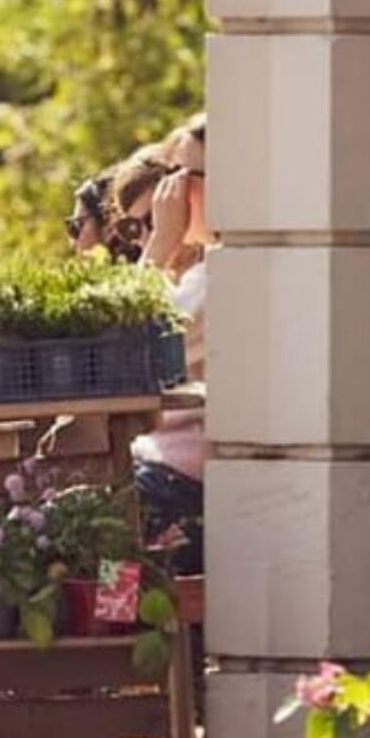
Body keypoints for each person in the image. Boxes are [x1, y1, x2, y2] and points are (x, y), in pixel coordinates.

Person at [132, 118, 209, 575]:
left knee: (101, 544)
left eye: (182, 179)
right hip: (168, 473)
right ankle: (117, 632)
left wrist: (161, 243)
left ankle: (119, 635)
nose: (170, 197)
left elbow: (123, 339)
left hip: (183, 485)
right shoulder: (205, 275)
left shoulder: (218, 280)